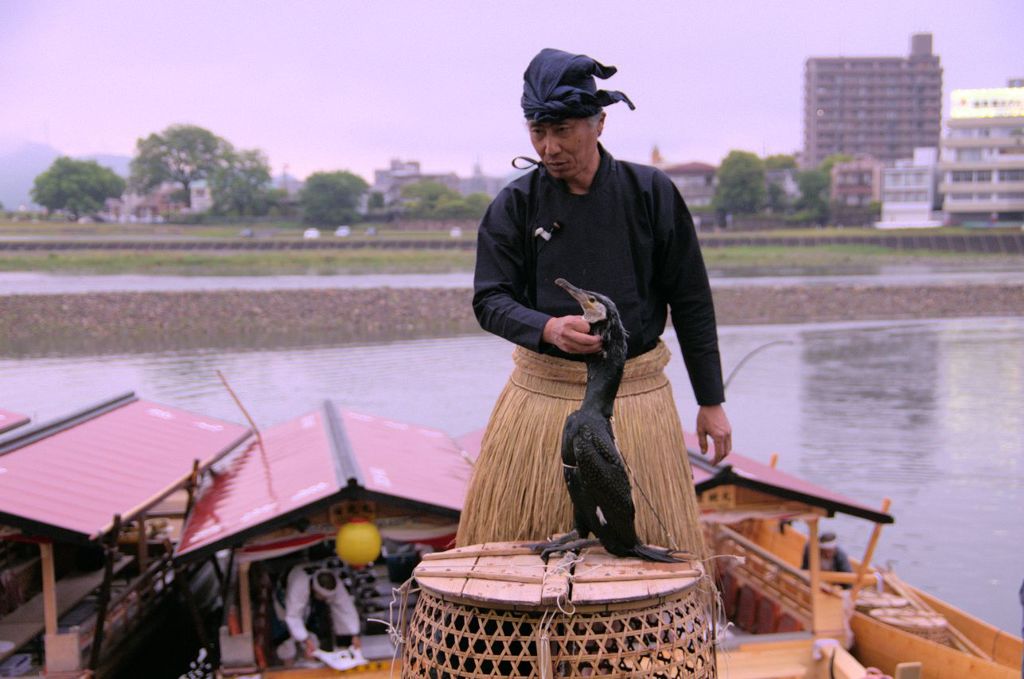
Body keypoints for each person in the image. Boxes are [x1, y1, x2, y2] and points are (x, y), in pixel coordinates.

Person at [457, 48, 731, 555]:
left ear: (599, 123)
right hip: (542, 400)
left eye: (562, 130)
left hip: (636, 400)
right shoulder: (516, 204)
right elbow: (489, 299)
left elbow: (691, 300)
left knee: (643, 559)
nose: (549, 147)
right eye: (537, 132)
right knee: (522, 566)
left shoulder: (650, 192)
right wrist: (546, 328)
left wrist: (711, 401)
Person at [276, 566, 363, 665]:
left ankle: (311, 667)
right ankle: (289, 669)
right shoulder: (298, 586)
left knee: (313, 639)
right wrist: (305, 639)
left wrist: (354, 634)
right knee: (287, 642)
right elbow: (293, 616)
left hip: (310, 603)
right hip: (284, 598)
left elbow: (346, 609)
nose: (326, 599)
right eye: (324, 597)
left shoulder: (336, 583)